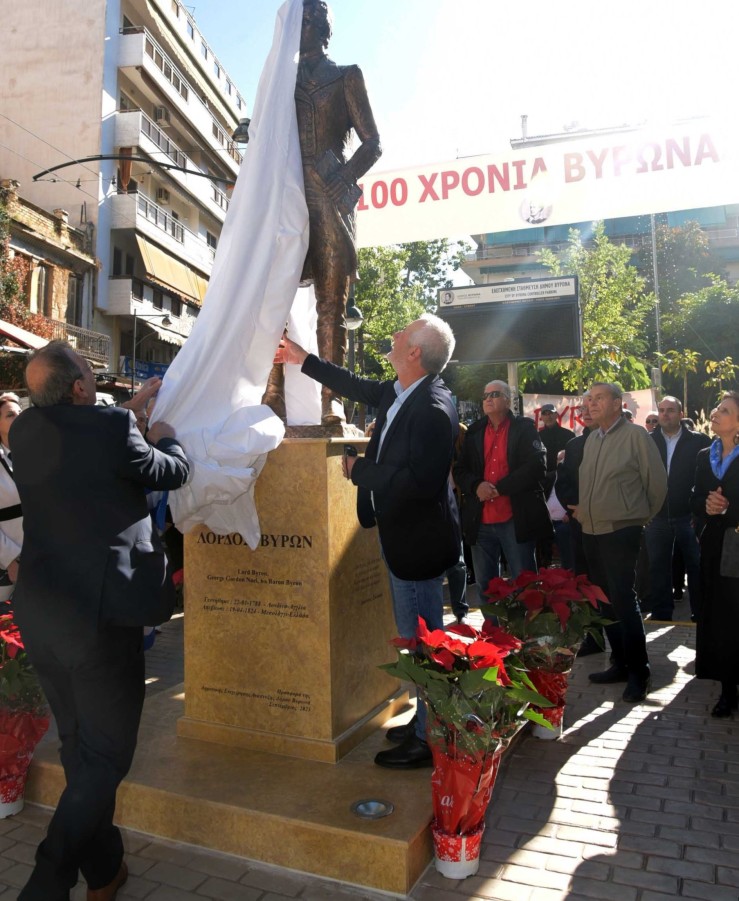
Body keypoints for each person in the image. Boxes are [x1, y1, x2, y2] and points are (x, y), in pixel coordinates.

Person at [10, 341, 190, 901]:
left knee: (79, 748)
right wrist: (162, 434)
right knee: (107, 755)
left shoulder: (24, 431)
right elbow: (173, 473)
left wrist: (125, 412)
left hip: (42, 611)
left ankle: (105, 870)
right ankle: (47, 878)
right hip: (98, 618)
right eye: (90, 373)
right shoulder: (114, 430)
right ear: (82, 388)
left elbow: (86, 445)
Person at [278, 315, 459, 769]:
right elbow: (356, 385)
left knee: (423, 644)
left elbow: (421, 482)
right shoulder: (401, 391)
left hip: (417, 545)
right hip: (402, 538)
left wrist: (362, 472)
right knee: (414, 640)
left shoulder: (433, 408)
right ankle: (423, 723)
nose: (394, 335)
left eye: (403, 332)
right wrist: (302, 360)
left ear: (415, 352)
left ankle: (430, 739)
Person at [263, 0, 382, 425]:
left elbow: (373, 142)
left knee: (331, 304)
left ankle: (331, 400)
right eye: (300, 19)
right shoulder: (280, 82)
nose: (302, 26)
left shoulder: (345, 76)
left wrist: (344, 177)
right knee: (274, 295)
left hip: (331, 200)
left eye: (309, 20)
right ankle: (272, 392)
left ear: (320, 26)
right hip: (289, 197)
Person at [570, 382, 667, 703]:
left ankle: (640, 671)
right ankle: (620, 663)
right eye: (588, 399)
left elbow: (657, 484)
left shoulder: (636, 436)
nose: (591, 404)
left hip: (622, 530)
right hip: (592, 531)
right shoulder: (592, 439)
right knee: (602, 600)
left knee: (624, 599)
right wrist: (586, 512)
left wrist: (636, 516)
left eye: (598, 398)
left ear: (617, 403)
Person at [454, 380, 551, 603]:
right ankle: (491, 634)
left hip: (515, 519)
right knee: (486, 587)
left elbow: (538, 465)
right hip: (481, 521)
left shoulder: (524, 428)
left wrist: (500, 489)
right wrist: (477, 485)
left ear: (507, 400)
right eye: (485, 396)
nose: (488, 399)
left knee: (524, 584)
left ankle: (528, 634)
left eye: (495, 394)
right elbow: (460, 469)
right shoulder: (475, 431)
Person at [691, 391, 739, 718]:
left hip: (737, 543)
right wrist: (707, 506)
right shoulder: (703, 455)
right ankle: (726, 688)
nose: (715, 414)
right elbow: (693, 500)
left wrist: (729, 508)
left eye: (724, 410)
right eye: (716, 409)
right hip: (713, 546)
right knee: (719, 617)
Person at [645, 395, 710, 621]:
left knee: (696, 566)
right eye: (661, 410)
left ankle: (699, 613)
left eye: (670, 410)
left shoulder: (699, 441)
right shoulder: (647, 440)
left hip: (688, 516)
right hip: (656, 516)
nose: (664, 414)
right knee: (658, 567)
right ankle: (662, 613)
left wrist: (699, 512)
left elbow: (708, 477)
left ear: (681, 414)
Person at [0, 394, 23, 598]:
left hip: (41, 558)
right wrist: (9, 559)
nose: (17, 418)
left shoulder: (36, 454)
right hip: (7, 566)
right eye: (10, 415)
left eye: (20, 413)